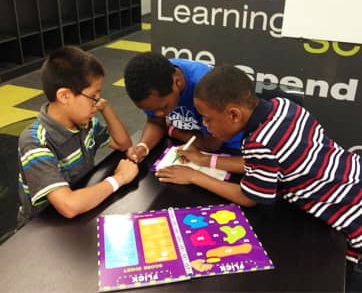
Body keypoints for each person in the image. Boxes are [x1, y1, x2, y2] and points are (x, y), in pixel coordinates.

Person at [155, 65, 361, 291]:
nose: (204, 125)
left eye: (207, 118)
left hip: (349, 217)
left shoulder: (260, 142)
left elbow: (248, 196)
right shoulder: (283, 107)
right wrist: (204, 160)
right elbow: (264, 162)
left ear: (234, 114)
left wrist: (194, 176)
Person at [18, 46, 138, 220]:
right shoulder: (35, 141)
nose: (96, 103)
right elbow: (69, 206)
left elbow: (123, 144)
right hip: (43, 228)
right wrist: (119, 178)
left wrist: (105, 107)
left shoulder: (85, 124)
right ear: (65, 96)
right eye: (93, 96)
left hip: (83, 209)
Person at [124, 52, 244, 163]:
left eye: (163, 107)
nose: (159, 114)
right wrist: (143, 146)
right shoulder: (152, 84)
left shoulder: (207, 88)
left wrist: (171, 131)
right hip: (190, 144)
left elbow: (211, 144)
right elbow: (155, 123)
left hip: (232, 150)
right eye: (151, 110)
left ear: (177, 82)